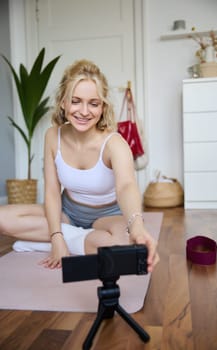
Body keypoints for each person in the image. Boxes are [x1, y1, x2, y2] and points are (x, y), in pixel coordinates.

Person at [0, 59, 159, 272]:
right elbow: (52, 191)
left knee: (124, 249)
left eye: (93, 103)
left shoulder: (115, 144)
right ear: (63, 102)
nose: (84, 111)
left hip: (108, 217)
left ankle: (53, 241)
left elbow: (126, 186)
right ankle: (63, 240)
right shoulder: (52, 136)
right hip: (67, 213)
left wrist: (137, 226)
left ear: (102, 107)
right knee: (2, 219)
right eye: (76, 101)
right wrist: (57, 235)